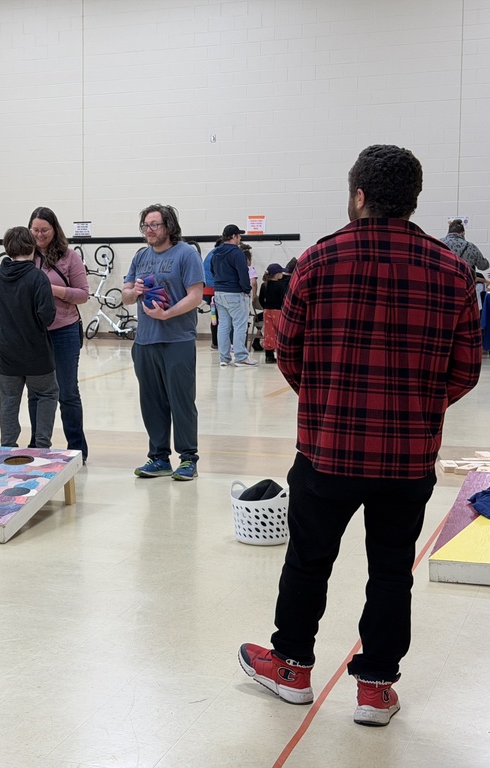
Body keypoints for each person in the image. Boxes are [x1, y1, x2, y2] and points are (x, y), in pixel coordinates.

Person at [239, 145, 482, 727]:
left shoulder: (318, 261)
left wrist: (325, 404)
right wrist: (417, 409)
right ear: (414, 200)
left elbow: (285, 349)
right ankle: (375, 688)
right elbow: (467, 368)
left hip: (327, 451)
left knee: (307, 560)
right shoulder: (452, 271)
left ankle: (293, 668)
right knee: (392, 569)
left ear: (358, 196)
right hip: (407, 458)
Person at [122, 204, 205, 481]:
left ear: (168, 226)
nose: (149, 230)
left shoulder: (186, 254)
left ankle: (188, 458)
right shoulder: (140, 256)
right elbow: (125, 295)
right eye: (146, 225)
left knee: (181, 400)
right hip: (145, 341)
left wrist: (167, 314)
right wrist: (135, 291)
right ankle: (158, 457)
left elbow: (196, 295)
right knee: (152, 401)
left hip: (177, 339)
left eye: (155, 224)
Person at [0, 226, 59, 449]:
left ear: (7, 248)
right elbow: (47, 316)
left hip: (5, 354)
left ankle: (8, 445)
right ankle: (41, 444)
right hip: (37, 354)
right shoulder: (38, 278)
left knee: (8, 400)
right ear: (32, 247)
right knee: (47, 393)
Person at [27, 206, 89, 459]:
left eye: (45, 230)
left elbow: (83, 294)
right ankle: (38, 444)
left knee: (68, 391)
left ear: (55, 230)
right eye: (35, 230)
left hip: (64, 330)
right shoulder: (25, 256)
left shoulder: (69, 256)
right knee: (35, 392)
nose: (40, 235)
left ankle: (77, 448)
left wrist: (52, 289)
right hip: (34, 333)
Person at [211, 225, 257, 367]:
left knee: (223, 326)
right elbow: (243, 274)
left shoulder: (216, 252)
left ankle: (224, 358)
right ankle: (241, 357)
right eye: (239, 235)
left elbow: (212, 271)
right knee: (239, 326)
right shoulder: (237, 253)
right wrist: (246, 289)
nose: (240, 238)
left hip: (219, 293)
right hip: (235, 293)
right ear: (234, 236)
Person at [257, 263, 289, 364]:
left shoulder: (264, 285)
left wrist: (265, 307)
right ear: (277, 274)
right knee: (281, 332)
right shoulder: (280, 285)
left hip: (267, 311)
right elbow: (284, 299)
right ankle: (283, 354)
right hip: (278, 312)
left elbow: (261, 299)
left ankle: (269, 356)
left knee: (269, 333)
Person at [442, 219, 488, 284]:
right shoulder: (471, 247)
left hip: (443, 284)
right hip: (464, 286)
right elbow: (483, 266)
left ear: (448, 232)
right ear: (463, 233)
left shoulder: (438, 244)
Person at [202, 239, 221, 350]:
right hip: (215, 290)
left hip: (207, 291)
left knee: (215, 317)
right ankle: (217, 343)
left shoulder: (211, 253)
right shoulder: (219, 254)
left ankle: (215, 343)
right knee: (220, 318)